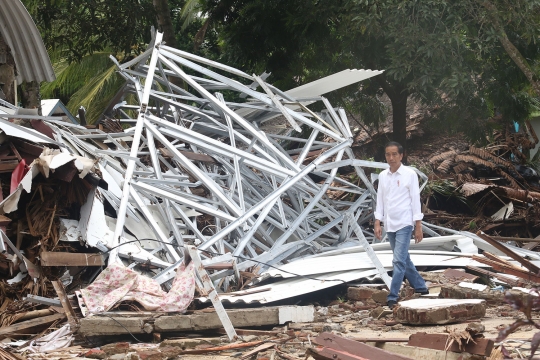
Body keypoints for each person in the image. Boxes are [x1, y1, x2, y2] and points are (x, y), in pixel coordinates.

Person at [374, 141, 428, 309]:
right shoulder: (383, 176)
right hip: (389, 223)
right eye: (388, 155)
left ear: (401, 155)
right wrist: (378, 221)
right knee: (404, 259)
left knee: (398, 261)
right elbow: (380, 200)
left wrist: (417, 225)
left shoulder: (410, 174)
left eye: (394, 154)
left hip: (405, 222)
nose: (391, 158)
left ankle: (392, 295)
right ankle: (421, 287)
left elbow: (415, 200)